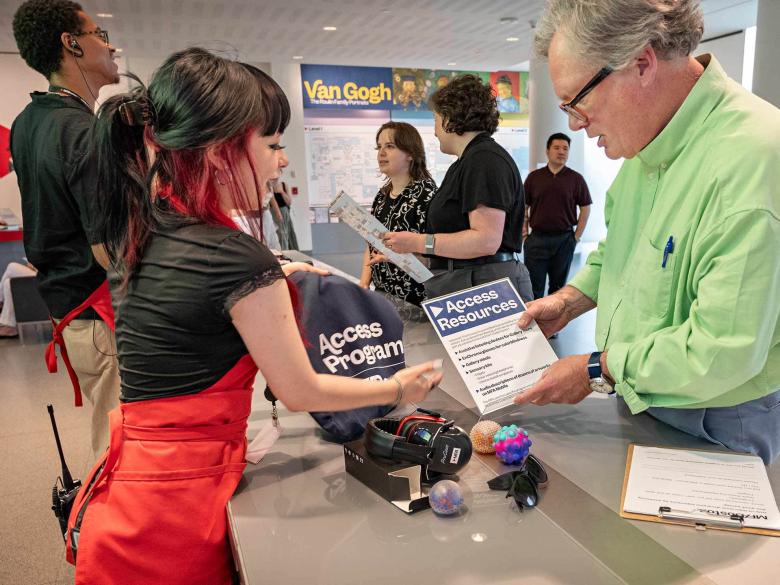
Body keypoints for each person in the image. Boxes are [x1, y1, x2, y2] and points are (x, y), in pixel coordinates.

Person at [67, 48, 442, 584]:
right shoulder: (234, 256)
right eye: (272, 144)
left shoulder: (146, 227)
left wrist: (275, 277)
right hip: (181, 509)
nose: (281, 161)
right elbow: (301, 390)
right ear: (221, 152)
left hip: (132, 485)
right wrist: (398, 386)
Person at [514, 0, 780, 464]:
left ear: (641, 63)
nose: (574, 124)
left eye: (577, 101)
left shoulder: (752, 160)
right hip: (642, 389)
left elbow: (723, 351)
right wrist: (571, 300)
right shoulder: (651, 140)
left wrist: (597, 368)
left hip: (718, 416)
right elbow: (624, 248)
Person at [11, 0, 121, 458]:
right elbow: (107, 249)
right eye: (99, 35)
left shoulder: (28, 121)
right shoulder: (82, 130)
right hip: (100, 313)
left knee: (111, 435)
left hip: (70, 312)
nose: (112, 47)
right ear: (71, 43)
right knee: (123, 448)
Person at [383, 74, 532, 302]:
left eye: (435, 119)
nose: (435, 131)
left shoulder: (484, 160)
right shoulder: (466, 162)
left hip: (483, 284)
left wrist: (417, 242)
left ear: (449, 118)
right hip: (468, 280)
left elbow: (485, 241)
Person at [359, 121, 436, 306]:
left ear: (411, 154)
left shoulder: (427, 194)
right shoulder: (382, 196)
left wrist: (400, 257)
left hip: (416, 302)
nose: (381, 153)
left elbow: (436, 252)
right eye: (379, 147)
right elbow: (372, 243)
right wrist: (363, 284)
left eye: (390, 146)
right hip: (383, 296)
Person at [522, 132, 591, 300]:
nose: (561, 152)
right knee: (534, 288)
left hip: (564, 241)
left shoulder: (576, 179)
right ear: (547, 151)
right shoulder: (534, 178)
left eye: (565, 149)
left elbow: (585, 208)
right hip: (536, 241)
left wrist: (576, 237)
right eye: (557, 148)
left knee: (558, 289)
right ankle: (535, 317)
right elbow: (523, 207)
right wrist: (524, 234)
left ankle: (552, 318)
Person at [0, 260, 37, 337]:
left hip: (47, 276)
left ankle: (0, 301)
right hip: (40, 273)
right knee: (8, 283)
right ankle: (10, 327)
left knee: (12, 266)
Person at [271, 179, 299, 250]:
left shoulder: (284, 185)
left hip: (285, 213)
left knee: (287, 234)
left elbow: (289, 202)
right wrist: (278, 214)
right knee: (280, 234)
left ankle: (289, 252)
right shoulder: (268, 186)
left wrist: (282, 192)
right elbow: (272, 202)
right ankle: (283, 252)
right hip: (273, 213)